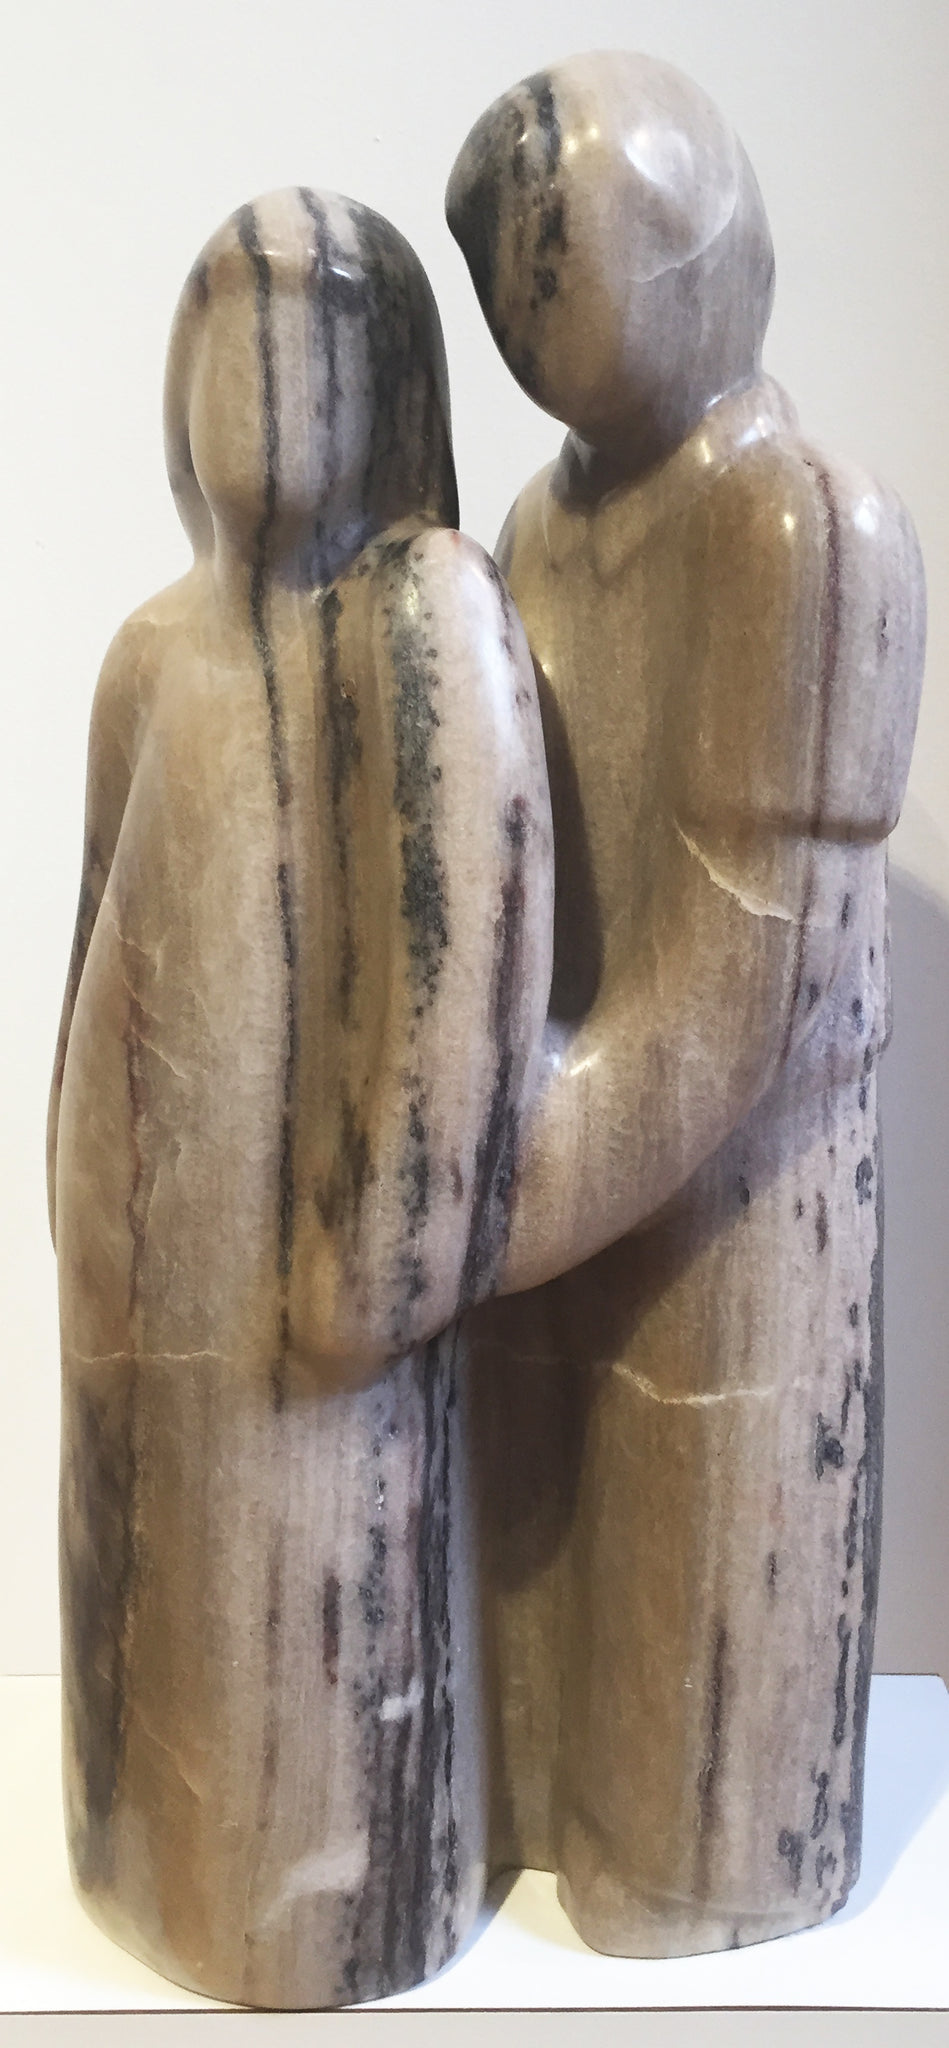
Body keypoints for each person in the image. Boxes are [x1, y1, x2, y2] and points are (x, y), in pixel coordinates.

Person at [50, 186, 552, 2006]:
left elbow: (461, 974)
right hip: (135, 1252)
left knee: (312, 1641)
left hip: (318, 1296)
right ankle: (140, 1861)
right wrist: (64, 1187)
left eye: (311, 329)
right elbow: (91, 926)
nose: (259, 379)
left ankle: (319, 1911)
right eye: (226, 326)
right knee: (152, 1608)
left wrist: (383, 1257)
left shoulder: (422, 615)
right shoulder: (145, 652)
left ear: (388, 372)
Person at [448, 51, 926, 1954]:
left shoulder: (805, 528)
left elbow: (749, 962)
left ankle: (715, 1866)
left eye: (572, 250)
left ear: (711, 239)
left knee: (678, 1818)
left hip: (732, 1211)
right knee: (527, 1702)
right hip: (553, 1155)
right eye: (517, 272)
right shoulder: (531, 536)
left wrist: (497, 1198)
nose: (537, 301)